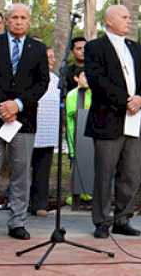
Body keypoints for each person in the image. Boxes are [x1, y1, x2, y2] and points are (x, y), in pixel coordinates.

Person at [0, 3, 50, 241]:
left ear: (29, 21)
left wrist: (17, 105)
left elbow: (42, 83)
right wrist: (4, 105)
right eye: (14, 17)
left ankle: (17, 222)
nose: (18, 21)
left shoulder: (38, 49)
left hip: (24, 120)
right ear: (7, 21)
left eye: (23, 17)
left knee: (21, 173)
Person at [84, 5, 141, 239]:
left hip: (135, 118)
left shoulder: (135, 48)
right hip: (108, 118)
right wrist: (126, 101)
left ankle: (123, 219)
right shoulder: (95, 47)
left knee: (131, 173)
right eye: (124, 17)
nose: (129, 20)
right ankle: (102, 221)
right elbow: (97, 80)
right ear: (110, 21)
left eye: (129, 16)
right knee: (105, 173)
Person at [28, 47, 60, 217]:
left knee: (43, 169)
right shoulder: (27, 77)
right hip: (29, 129)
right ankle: (20, 201)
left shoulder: (55, 79)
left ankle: (40, 204)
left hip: (48, 132)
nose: (51, 60)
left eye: (52, 57)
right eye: (47, 56)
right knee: (23, 168)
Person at [64, 68, 92, 204]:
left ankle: (88, 192)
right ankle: (75, 193)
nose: (87, 78)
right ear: (76, 78)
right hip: (75, 135)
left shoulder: (94, 93)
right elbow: (73, 114)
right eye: (84, 75)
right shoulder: (72, 95)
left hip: (90, 136)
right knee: (75, 164)